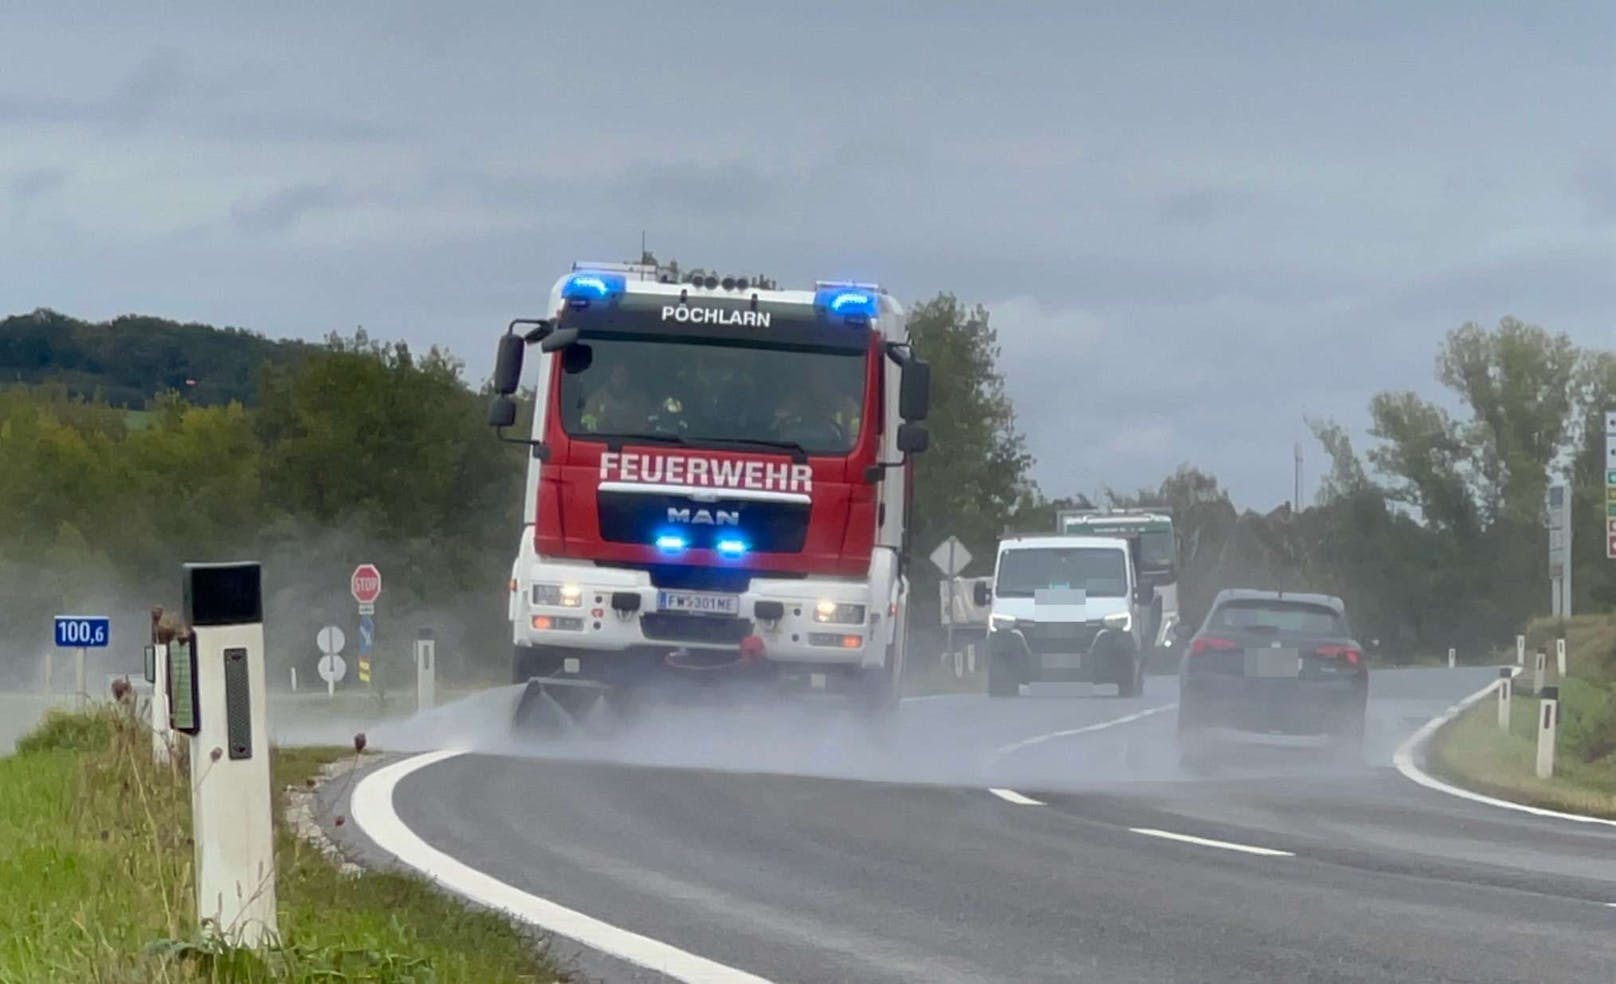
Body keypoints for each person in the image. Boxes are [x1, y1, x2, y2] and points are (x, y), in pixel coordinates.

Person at [773, 360, 862, 446]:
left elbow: (853, 439)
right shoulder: (796, 399)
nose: (818, 380)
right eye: (816, 375)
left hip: (832, 450)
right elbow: (776, 426)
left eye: (823, 375)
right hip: (792, 447)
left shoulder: (845, 403)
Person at [579, 362, 655, 433]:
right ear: (610, 378)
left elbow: (651, 420)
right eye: (616, 376)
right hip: (604, 440)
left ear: (629, 378)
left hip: (635, 442)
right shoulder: (596, 398)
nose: (620, 380)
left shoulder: (640, 399)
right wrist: (600, 424)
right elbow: (585, 421)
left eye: (623, 376)